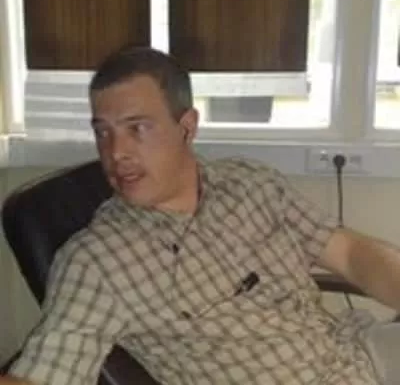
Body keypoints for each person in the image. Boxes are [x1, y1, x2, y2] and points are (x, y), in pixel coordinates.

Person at [1, 46, 400, 385]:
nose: (116, 152)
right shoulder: (99, 261)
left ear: (187, 127)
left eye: (137, 128)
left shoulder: (250, 183)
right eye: (103, 131)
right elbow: (45, 372)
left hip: (355, 351)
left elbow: (351, 253)